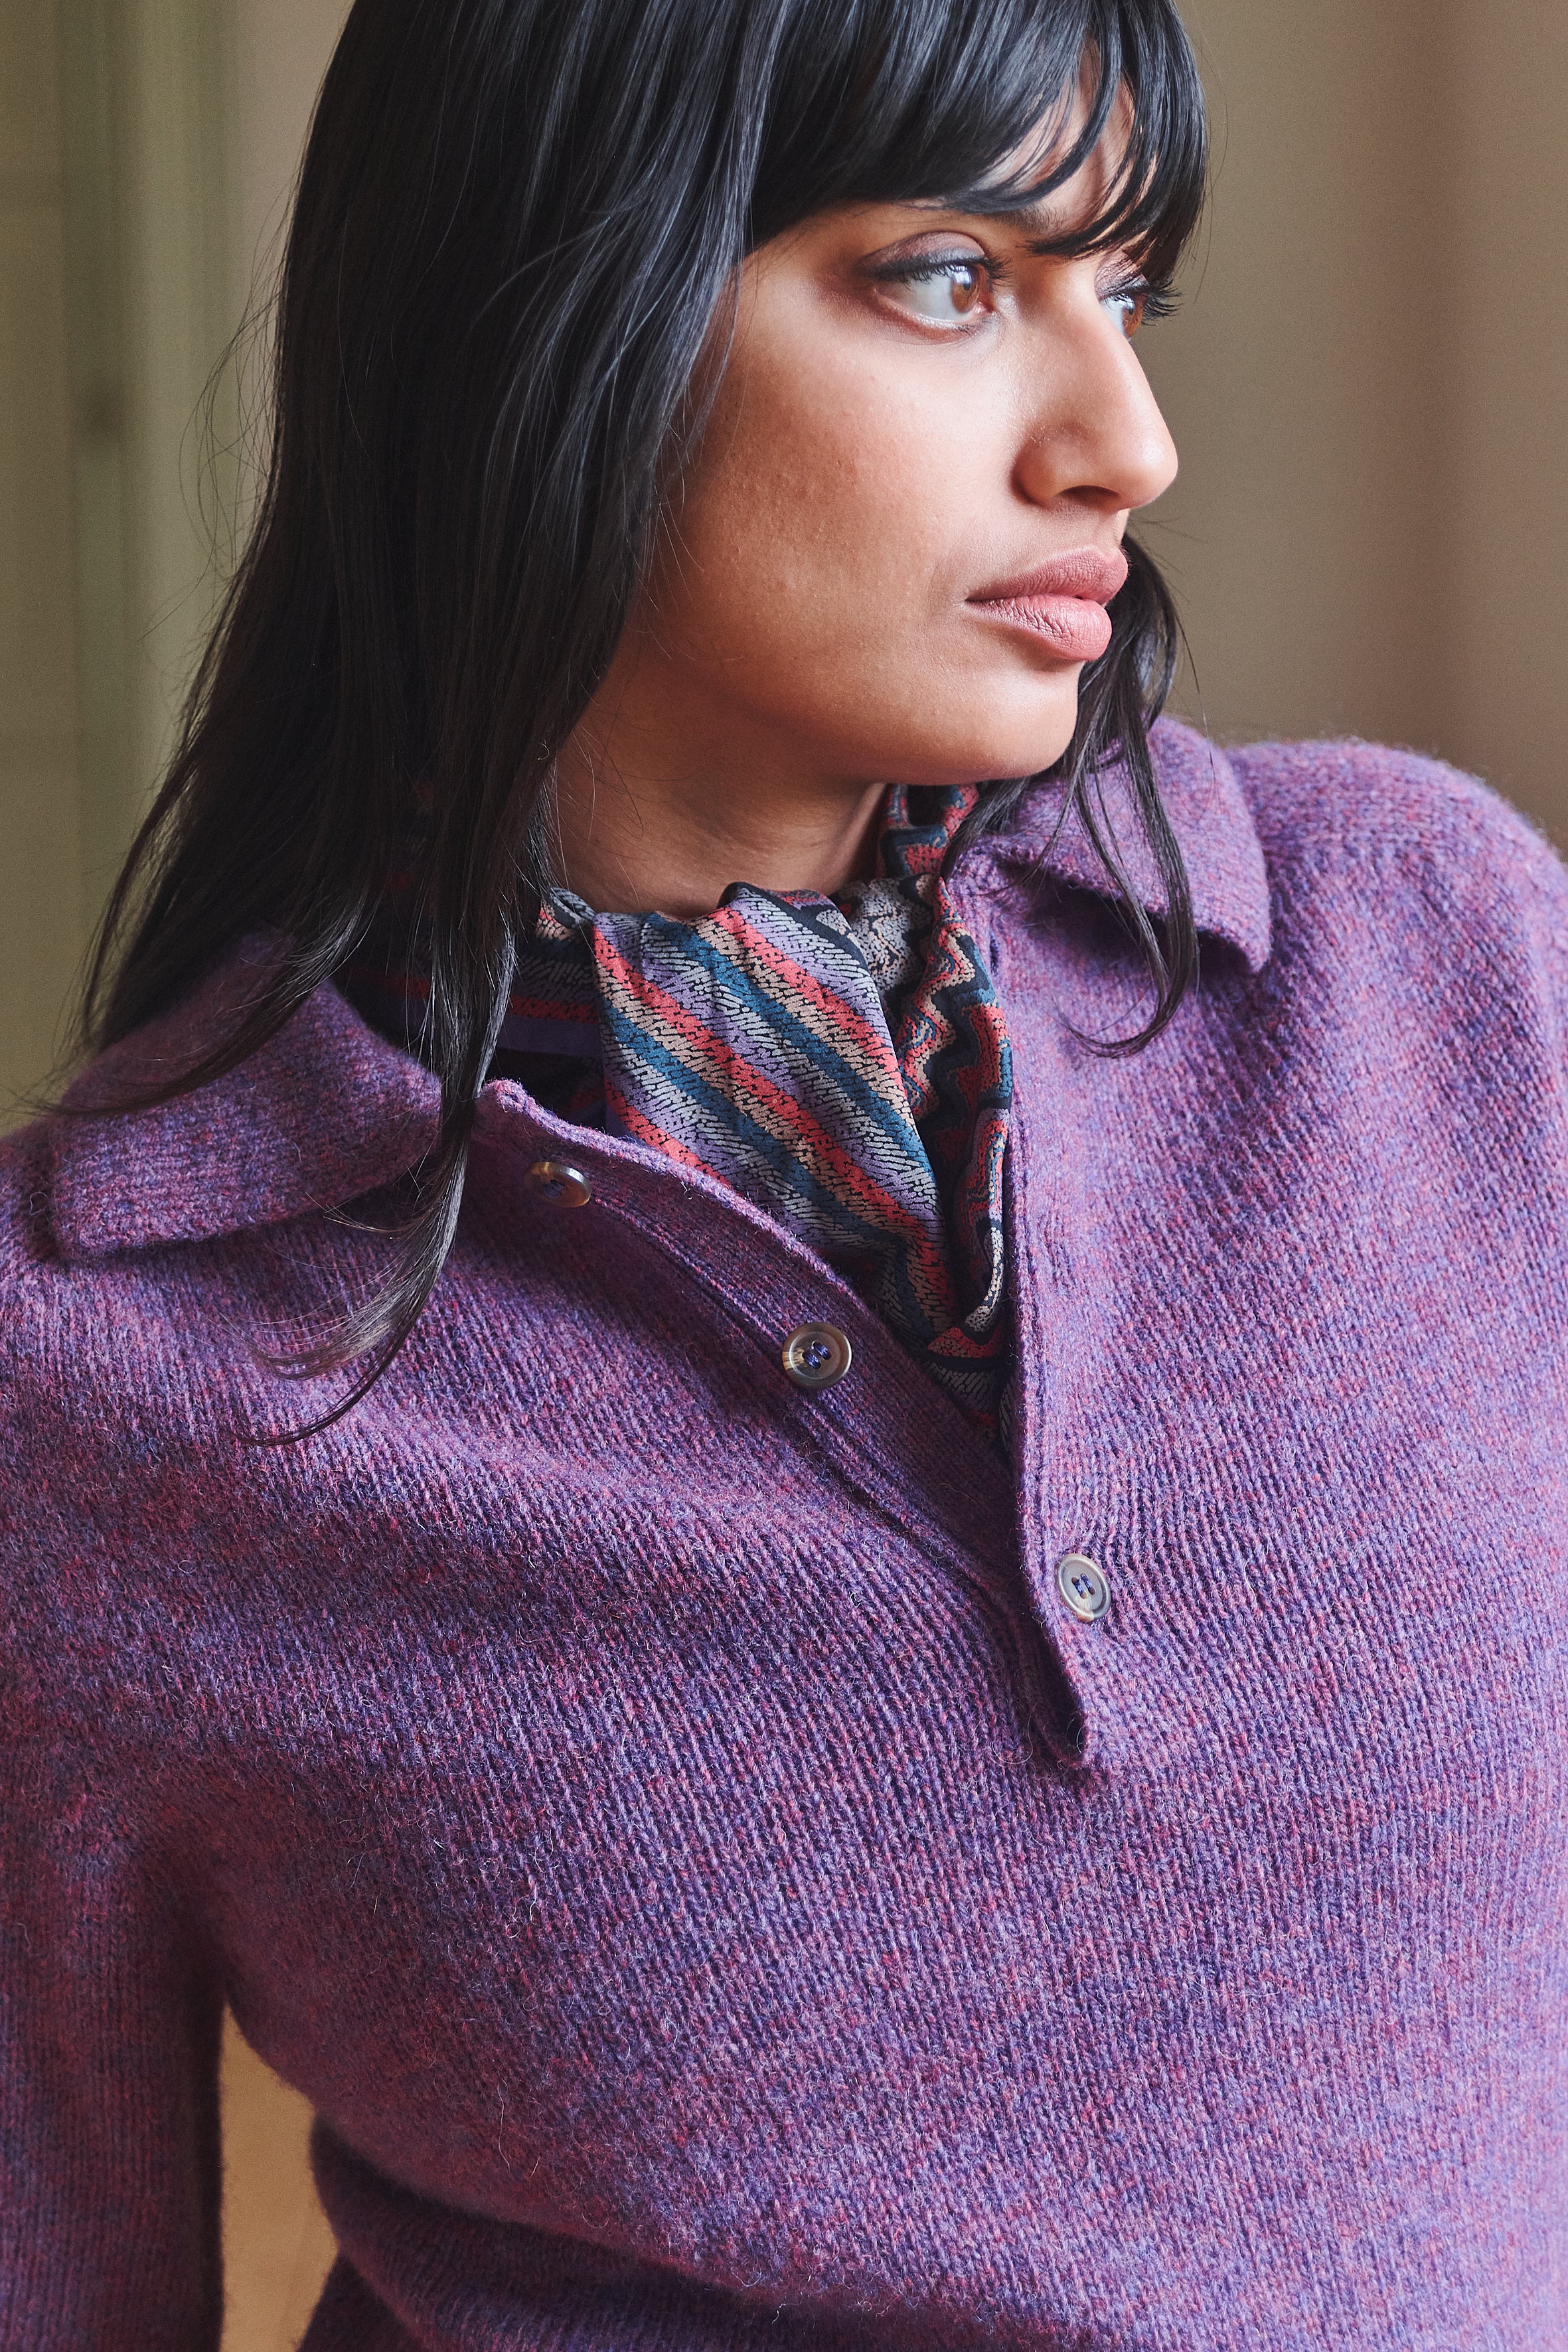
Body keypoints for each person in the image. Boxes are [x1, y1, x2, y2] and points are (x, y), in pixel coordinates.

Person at [3, 0, 1565, 2342]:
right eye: (946, 277)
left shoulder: (1430, 954)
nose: (1124, 441)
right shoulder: (99, 1371)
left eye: (1121, 286)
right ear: (553, 302)